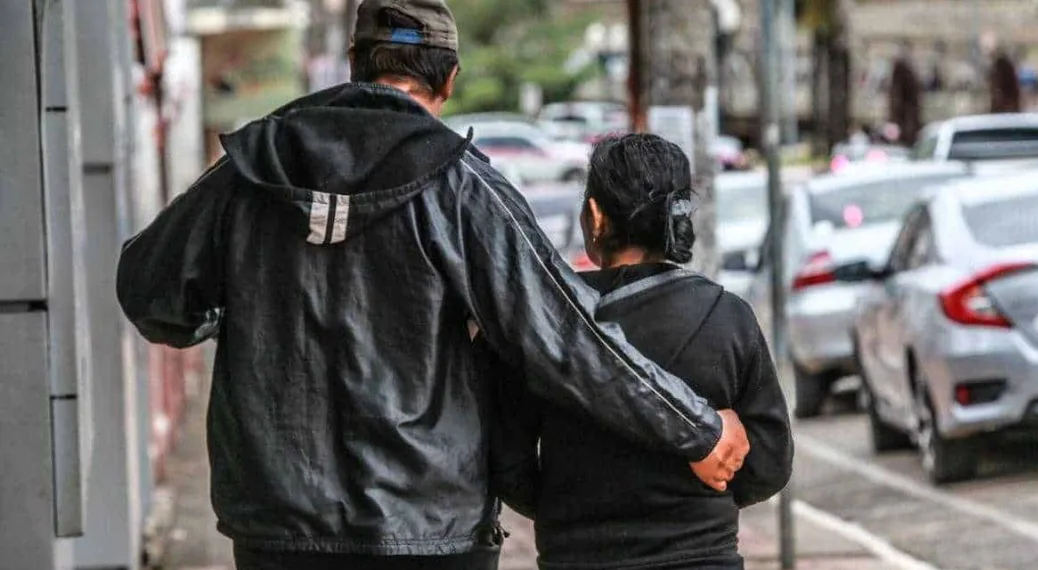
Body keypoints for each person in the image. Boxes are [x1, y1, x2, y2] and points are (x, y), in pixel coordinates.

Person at [115, 2, 751, 569]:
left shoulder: (250, 171)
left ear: (356, 64)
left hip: (276, 525)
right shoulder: (464, 189)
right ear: (449, 79)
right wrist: (696, 428)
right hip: (433, 532)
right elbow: (567, 336)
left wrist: (239, 313)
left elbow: (150, 294)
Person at [484, 134, 794, 570]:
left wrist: (570, 509)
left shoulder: (547, 322)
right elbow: (770, 464)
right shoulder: (727, 316)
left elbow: (508, 466)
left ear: (595, 217)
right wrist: (707, 493)